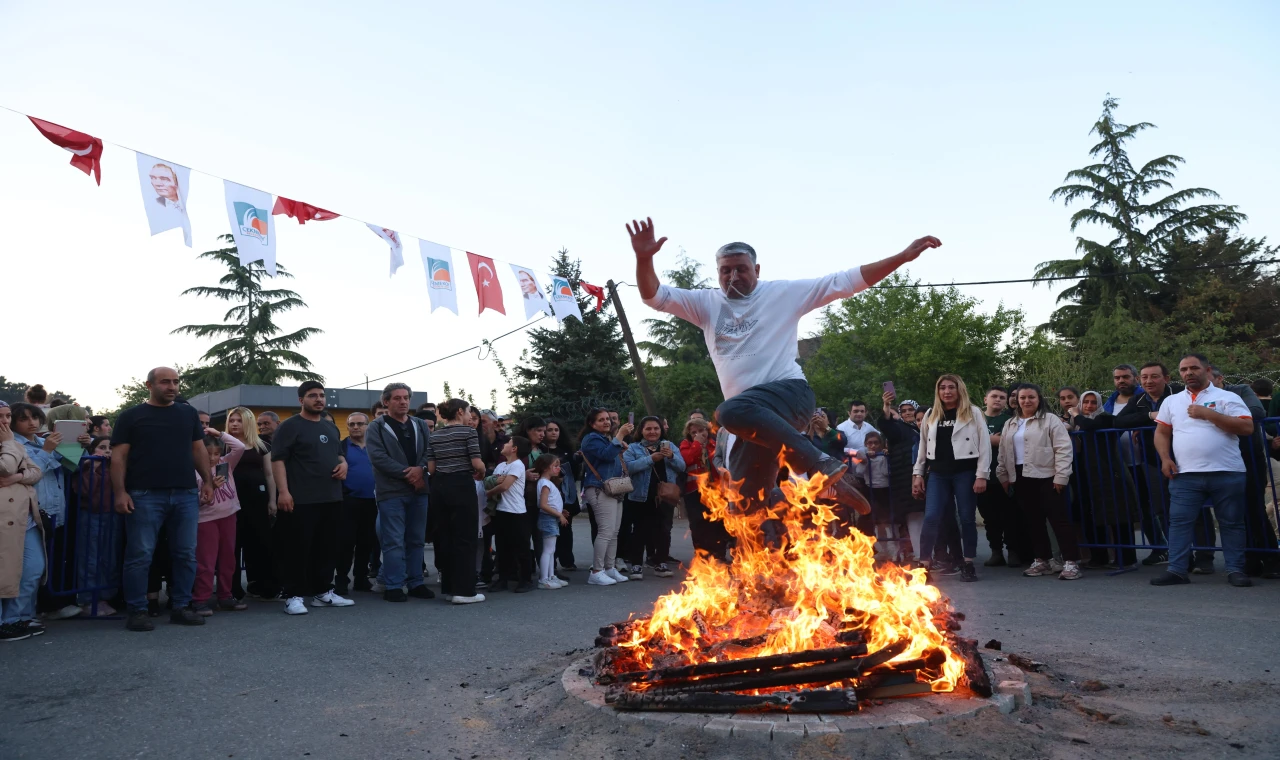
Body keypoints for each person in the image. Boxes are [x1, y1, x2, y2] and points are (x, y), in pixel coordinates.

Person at [632, 217, 938, 522]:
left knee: (726, 412)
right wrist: (644, 258)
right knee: (745, 506)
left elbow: (845, 282)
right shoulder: (705, 303)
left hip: (789, 396)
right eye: (726, 270)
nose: (733, 276)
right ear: (718, 273)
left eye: (741, 269)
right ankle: (824, 492)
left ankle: (820, 465)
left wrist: (901, 257)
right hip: (752, 422)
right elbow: (653, 296)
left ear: (757, 270)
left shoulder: (781, 293)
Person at [111, 367, 214, 631]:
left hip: (185, 493)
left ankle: (181, 606)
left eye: (176, 382)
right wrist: (120, 492)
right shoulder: (131, 416)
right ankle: (137, 610)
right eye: (165, 382)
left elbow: (198, 449)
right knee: (140, 554)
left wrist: (208, 483)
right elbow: (119, 457)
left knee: (186, 554)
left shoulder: (188, 414)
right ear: (149, 385)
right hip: (144, 495)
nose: (172, 386)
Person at [1150, 354, 1256, 588]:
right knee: (1179, 522)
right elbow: (1162, 432)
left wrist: (1209, 414)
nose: (1188, 373)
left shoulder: (1227, 397)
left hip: (1227, 471)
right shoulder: (1171, 401)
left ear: (1207, 370)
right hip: (1185, 474)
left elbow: (1247, 426)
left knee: (1231, 522)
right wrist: (1165, 458)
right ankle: (1177, 570)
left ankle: (1235, 570)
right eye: (1183, 369)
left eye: (1194, 368)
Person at [271, 381, 354, 615]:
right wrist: (283, 492)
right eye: (312, 396)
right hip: (301, 499)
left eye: (321, 395)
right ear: (301, 400)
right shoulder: (289, 426)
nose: (319, 399)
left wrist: (344, 464)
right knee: (297, 549)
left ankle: (322, 593)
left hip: (331, 497)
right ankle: (293, 596)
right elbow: (277, 460)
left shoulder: (331, 427)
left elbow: (339, 455)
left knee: (327, 548)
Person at [996, 384, 1080, 580]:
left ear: (1039, 398)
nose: (1026, 401)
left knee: (1059, 520)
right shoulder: (1011, 423)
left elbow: (1063, 448)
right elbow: (1003, 451)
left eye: (1031, 397)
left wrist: (1061, 476)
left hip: (1047, 475)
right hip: (1020, 476)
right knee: (1033, 521)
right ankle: (1042, 560)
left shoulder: (1050, 420)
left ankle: (1071, 562)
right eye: (1022, 398)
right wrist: (1003, 476)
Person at [911, 375, 989, 581]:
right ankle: (924, 565)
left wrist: (982, 475)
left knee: (966, 518)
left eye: (951, 387)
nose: (947, 391)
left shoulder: (973, 412)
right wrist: (917, 473)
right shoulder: (931, 413)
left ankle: (968, 562)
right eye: (942, 388)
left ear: (959, 389)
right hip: (937, 472)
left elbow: (984, 445)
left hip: (965, 471)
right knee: (931, 517)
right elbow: (922, 447)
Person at [9, 403, 79, 620]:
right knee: (29, 569)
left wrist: (78, 446)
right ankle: (17, 618)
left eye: (35, 417)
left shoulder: (42, 441)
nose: (32, 423)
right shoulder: (11, 445)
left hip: (52, 510)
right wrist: (48, 450)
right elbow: (32, 473)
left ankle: (28, 616)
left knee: (38, 568)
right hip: (28, 513)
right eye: (24, 419)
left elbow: (70, 467)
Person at [366, 383, 434, 603]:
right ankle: (394, 585)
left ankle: (415, 582)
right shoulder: (376, 427)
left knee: (416, 540)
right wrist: (408, 473)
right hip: (391, 492)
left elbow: (429, 452)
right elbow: (378, 457)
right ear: (386, 402)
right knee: (393, 541)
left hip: (419, 491)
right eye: (397, 398)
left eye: (406, 398)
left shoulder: (420, 425)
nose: (403, 402)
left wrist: (420, 469)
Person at [1114, 362, 1180, 565]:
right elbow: (1117, 421)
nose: (1149, 381)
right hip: (1151, 461)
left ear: (1166, 378)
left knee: (1182, 509)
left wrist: (1144, 422)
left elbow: (1179, 416)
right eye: (1145, 377)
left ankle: (1197, 555)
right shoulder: (1139, 399)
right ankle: (1168, 552)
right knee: (1159, 508)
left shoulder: (1178, 393)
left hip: (1182, 458)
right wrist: (1150, 416)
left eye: (1154, 376)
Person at [427, 398, 486, 604]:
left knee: (446, 537)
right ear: (460, 412)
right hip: (461, 484)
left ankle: (450, 588)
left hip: (439, 487)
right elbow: (476, 463)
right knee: (465, 537)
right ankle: (465, 591)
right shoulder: (468, 432)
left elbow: (431, 468)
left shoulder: (435, 435)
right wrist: (482, 472)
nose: (471, 416)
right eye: (469, 412)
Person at [0, 402, 47, 641]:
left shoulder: (15, 443)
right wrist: (9, 445)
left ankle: (13, 619)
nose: (5, 422)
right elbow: (4, 467)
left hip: (25, 518)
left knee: (33, 568)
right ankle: (4, 623)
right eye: (2, 417)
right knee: (4, 573)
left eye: (8, 416)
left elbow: (36, 471)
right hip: (3, 519)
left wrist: (18, 476)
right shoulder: (12, 443)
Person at [622, 417, 687, 579]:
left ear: (661, 430)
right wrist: (650, 459)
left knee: (663, 531)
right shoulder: (633, 448)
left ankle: (661, 563)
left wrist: (671, 456)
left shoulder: (670, 446)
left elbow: (682, 467)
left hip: (665, 495)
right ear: (641, 431)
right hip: (640, 496)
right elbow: (629, 467)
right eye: (648, 429)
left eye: (656, 429)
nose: (652, 432)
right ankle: (636, 565)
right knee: (640, 531)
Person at [226, 407, 280, 600]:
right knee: (232, 545)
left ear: (247, 422)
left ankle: (263, 585)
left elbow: (269, 474)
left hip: (257, 500)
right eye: (231, 420)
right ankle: (231, 587)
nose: (234, 424)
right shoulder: (222, 444)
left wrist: (273, 500)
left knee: (261, 543)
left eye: (239, 420)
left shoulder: (261, 444)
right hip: (229, 502)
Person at [192, 430, 248, 616]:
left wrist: (220, 434)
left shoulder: (226, 463)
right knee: (206, 562)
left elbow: (239, 447)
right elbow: (195, 502)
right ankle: (200, 600)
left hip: (228, 516)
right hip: (206, 520)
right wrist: (211, 487)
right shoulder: (195, 471)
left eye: (217, 454)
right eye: (208, 455)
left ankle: (225, 596)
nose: (214, 458)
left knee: (228, 559)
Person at [580, 409, 633, 586]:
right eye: (601, 420)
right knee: (605, 531)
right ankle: (596, 571)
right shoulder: (591, 439)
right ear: (592, 424)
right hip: (599, 488)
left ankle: (609, 568)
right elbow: (605, 455)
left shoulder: (606, 439)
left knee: (614, 532)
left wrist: (618, 444)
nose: (607, 422)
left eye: (608, 419)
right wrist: (620, 436)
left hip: (613, 488)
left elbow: (610, 457)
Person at [72, 437, 122, 616]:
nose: (107, 451)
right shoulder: (87, 466)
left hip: (112, 515)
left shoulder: (115, 467)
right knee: (90, 557)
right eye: (102, 447)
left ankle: (105, 596)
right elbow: (84, 490)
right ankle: (88, 598)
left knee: (109, 557)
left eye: (110, 447)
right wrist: (93, 467)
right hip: (91, 515)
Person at [878, 394, 926, 564]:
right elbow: (886, 425)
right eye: (903, 410)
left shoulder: (922, 428)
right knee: (915, 518)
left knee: (934, 517)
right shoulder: (899, 429)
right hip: (906, 480)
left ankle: (939, 556)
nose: (907, 413)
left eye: (910, 409)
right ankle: (922, 557)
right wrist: (886, 405)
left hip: (929, 477)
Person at [975, 387, 1018, 566]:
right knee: (989, 517)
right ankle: (996, 552)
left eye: (1002, 397)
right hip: (981, 476)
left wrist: (997, 440)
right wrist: (991, 439)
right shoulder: (975, 419)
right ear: (985, 399)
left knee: (1009, 515)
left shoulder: (1009, 420)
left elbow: (1013, 441)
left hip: (1004, 476)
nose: (998, 400)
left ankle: (1013, 551)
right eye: (994, 396)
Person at [335, 412, 377, 595]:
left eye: (360, 424)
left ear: (368, 426)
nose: (356, 427)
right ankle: (342, 580)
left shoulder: (377, 447)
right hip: (349, 501)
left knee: (367, 542)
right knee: (346, 543)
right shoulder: (341, 447)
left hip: (373, 500)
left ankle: (361, 579)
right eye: (352, 424)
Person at [487, 435, 534, 593]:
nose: (504, 444)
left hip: (516, 512)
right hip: (501, 511)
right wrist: (493, 483)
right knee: (502, 547)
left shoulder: (517, 465)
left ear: (514, 449)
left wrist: (488, 493)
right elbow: (494, 480)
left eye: (508, 443)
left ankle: (526, 579)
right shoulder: (501, 465)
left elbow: (504, 486)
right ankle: (503, 579)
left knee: (521, 547)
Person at [679, 418, 729, 561]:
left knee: (718, 521)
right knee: (698, 523)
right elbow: (687, 459)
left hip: (716, 489)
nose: (698, 434)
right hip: (694, 491)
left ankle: (719, 554)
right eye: (694, 432)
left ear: (707, 430)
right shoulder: (686, 444)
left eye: (701, 431)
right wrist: (697, 444)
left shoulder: (716, 444)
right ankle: (702, 555)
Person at [544, 419, 581, 571]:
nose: (553, 432)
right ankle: (550, 562)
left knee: (566, 527)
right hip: (548, 494)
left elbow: (575, 472)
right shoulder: (541, 450)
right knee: (549, 529)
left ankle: (567, 560)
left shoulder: (567, 450)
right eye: (550, 430)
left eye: (556, 430)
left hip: (566, 495)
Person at [532, 454, 569, 589]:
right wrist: (559, 514)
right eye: (556, 466)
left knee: (551, 549)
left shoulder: (547, 483)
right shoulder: (545, 483)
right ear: (547, 468)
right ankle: (544, 579)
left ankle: (551, 576)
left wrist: (560, 512)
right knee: (548, 550)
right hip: (548, 519)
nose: (558, 468)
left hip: (550, 518)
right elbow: (543, 504)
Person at [854, 431, 894, 555]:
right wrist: (865, 461)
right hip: (870, 489)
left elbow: (886, 473)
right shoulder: (864, 456)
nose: (873, 446)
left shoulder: (884, 456)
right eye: (870, 443)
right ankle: (871, 547)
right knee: (868, 519)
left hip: (885, 489)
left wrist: (886, 458)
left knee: (888, 520)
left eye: (876, 443)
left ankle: (893, 550)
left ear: (880, 444)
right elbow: (859, 473)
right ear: (866, 444)